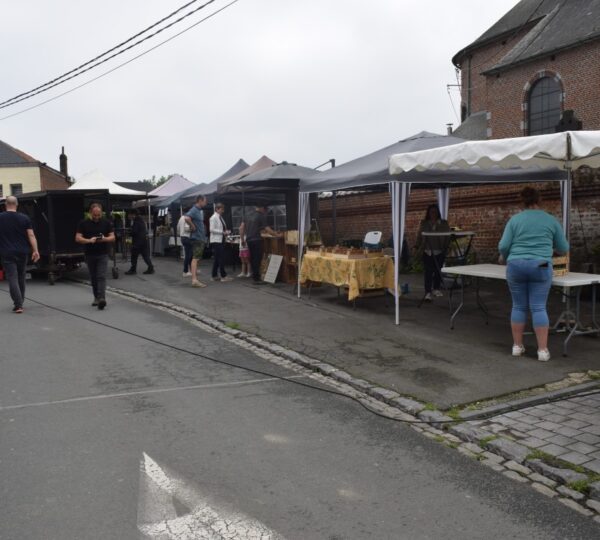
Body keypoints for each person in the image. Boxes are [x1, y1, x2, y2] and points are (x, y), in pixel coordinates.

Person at [498, 187, 569, 362]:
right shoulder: (551, 220)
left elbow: (503, 246)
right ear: (540, 200)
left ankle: (516, 346)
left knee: (518, 306)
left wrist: (504, 257)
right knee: (538, 307)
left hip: (516, 264)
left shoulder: (515, 220)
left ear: (522, 201)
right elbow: (564, 248)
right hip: (542, 263)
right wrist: (549, 250)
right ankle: (543, 351)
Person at [0, 196, 40, 313]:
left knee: (12, 277)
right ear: (17, 205)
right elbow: (31, 235)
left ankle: (18, 304)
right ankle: (20, 301)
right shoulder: (24, 218)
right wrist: (36, 250)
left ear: (5, 205)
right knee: (21, 276)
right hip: (22, 252)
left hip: (6, 252)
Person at [75, 203, 115, 310]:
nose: (97, 217)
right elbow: (78, 238)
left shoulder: (106, 222)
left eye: (99, 215)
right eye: (94, 215)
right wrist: (89, 240)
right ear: (90, 213)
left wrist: (104, 239)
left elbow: (112, 237)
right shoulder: (83, 223)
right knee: (93, 277)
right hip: (90, 254)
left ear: (101, 213)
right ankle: (96, 297)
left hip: (103, 253)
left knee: (101, 276)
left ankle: (102, 298)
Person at [239, 205, 282, 283]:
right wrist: (276, 234)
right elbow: (267, 228)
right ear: (262, 208)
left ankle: (254, 276)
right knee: (257, 259)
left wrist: (242, 239)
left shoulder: (247, 215)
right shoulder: (260, 215)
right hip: (257, 239)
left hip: (249, 240)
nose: (265, 212)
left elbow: (241, 228)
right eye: (265, 210)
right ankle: (256, 278)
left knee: (252, 258)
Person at [416, 204, 450, 301]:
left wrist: (447, 248)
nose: (433, 214)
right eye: (431, 212)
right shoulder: (424, 223)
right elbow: (419, 235)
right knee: (428, 272)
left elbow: (447, 236)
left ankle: (436, 288)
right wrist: (416, 246)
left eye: (435, 212)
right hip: (427, 251)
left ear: (438, 213)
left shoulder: (443, 223)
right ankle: (427, 292)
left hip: (439, 251)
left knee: (438, 271)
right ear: (428, 213)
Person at [184, 195, 208, 287]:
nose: (206, 203)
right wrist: (193, 226)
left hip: (199, 237)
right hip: (197, 238)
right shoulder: (194, 209)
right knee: (195, 258)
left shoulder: (198, 210)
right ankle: (194, 280)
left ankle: (195, 279)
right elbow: (187, 218)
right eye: (205, 201)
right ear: (200, 200)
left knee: (196, 258)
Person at [125, 209, 154, 275]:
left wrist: (129, 232)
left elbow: (135, 231)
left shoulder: (137, 221)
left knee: (134, 256)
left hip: (137, 242)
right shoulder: (140, 220)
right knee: (145, 256)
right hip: (143, 241)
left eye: (129, 215)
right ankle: (151, 268)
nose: (128, 216)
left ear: (133, 214)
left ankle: (133, 270)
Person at [209, 203, 233, 282]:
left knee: (217, 259)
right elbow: (211, 229)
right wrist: (222, 232)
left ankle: (214, 275)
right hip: (216, 241)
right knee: (221, 258)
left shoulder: (219, 217)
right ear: (217, 209)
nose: (223, 211)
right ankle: (223, 276)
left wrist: (226, 232)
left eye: (223, 209)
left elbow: (222, 228)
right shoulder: (214, 218)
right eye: (221, 209)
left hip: (220, 240)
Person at [177, 208, 193, 277]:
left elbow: (178, 228)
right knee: (189, 255)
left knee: (188, 254)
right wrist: (193, 228)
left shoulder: (181, 218)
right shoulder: (187, 218)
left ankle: (190, 270)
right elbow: (187, 229)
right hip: (187, 237)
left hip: (182, 237)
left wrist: (180, 233)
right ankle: (185, 271)